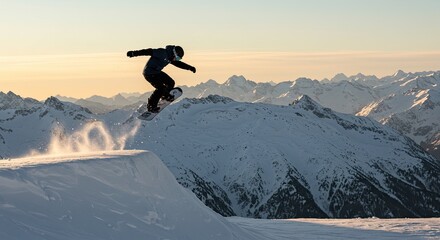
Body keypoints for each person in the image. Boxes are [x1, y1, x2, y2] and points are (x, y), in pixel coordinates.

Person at [127, 45, 196, 112]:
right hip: (149, 73)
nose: (176, 60)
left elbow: (179, 64)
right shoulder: (162, 53)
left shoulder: (170, 57)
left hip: (157, 72)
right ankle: (151, 106)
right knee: (160, 88)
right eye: (177, 58)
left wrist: (190, 68)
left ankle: (165, 95)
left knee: (170, 82)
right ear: (174, 53)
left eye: (178, 59)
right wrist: (134, 53)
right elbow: (148, 51)